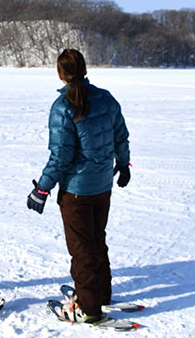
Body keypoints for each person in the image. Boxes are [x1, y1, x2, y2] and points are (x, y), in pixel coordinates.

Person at [27, 48, 130, 324]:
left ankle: (90, 307)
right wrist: (123, 164)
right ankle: (101, 293)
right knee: (96, 241)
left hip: (76, 192)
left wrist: (42, 189)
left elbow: (60, 156)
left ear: (60, 75)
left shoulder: (62, 108)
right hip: (102, 188)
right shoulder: (105, 99)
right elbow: (121, 135)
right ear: (85, 70)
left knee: (82, 249)